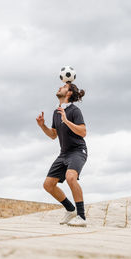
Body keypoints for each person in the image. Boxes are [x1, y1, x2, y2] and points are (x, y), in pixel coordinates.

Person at [36, 81, 88, 227]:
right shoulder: (56, 112)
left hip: (78, 151)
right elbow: (53, 135)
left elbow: (83, 132)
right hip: (64, 154)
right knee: (48, 185)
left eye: (64, 87)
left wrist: (66, 121)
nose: (60, 87)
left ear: (69, 93)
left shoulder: (74, 111)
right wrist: (43, 126)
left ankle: (82, 217)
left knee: (70, 177)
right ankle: (70, 209)